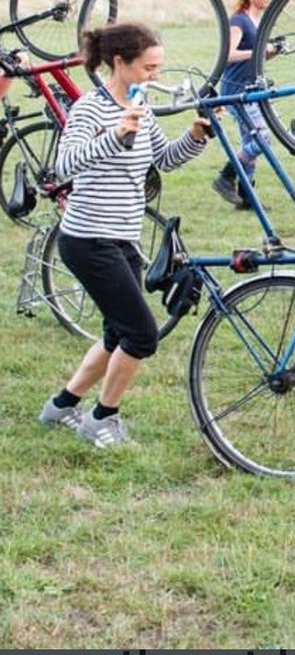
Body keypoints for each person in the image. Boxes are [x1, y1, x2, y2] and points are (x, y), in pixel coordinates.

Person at [39, 23, 211, 448]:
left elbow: (164, 160)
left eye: (158, 68)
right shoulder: (90, 109)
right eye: (148, 67)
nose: (155, 75)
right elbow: (65, 165)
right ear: (120, 62)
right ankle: (102, 419)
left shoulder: (143, 108)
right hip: (87, 239)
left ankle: (61, 406)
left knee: (119, 333)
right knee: (141, 335)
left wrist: (195, 137)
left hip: (123, 238)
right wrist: (116, 133)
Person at [212, 0, 275, 208]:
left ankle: (246, 197)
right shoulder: (239, 21)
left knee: (252, 138)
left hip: (251, 88)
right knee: (262, 138)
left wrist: (270, 52)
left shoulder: (258, 21)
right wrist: (259, 51)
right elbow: (227, 55)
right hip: (235, 91)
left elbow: (254, 58)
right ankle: (226, 176)